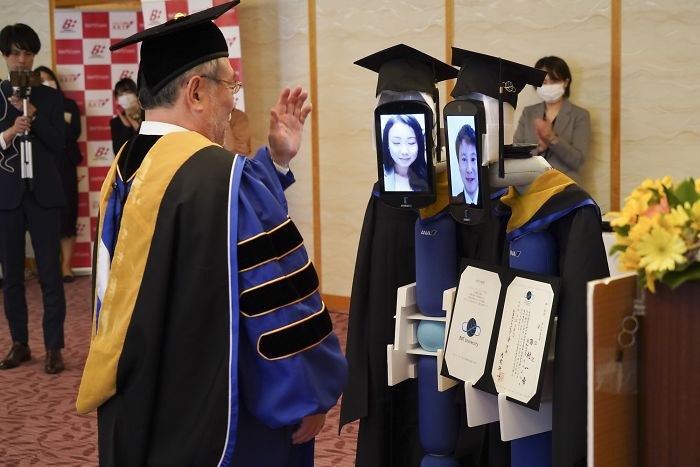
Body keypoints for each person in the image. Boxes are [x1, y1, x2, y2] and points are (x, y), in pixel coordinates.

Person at [75, 3, 347, 466]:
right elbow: (276, 298)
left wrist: (275, 162)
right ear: (197, 91)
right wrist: (307, 395)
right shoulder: (223, 177)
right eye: (230, 87)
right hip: (223, 410)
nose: (233, 102)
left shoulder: (124, 169)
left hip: (144, 400)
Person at [0, 23, 67, 374]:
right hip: (7, 197)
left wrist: (34, 116)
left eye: (27, 53)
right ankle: (20, 343)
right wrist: (10, 132)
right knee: (12, 276)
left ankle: (54, 347)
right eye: (14, 54)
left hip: (44, 196)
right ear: (5, 56)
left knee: (50, 274)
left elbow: (60, 145)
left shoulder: (50, 97)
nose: (21, 60)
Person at [35, 65, 82, 282]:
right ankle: (48, 268)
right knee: (44, 219)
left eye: (48, 78)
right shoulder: (30, 107)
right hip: (42, 167)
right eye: (41, 80)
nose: (46, 82)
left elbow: (73, 133)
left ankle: (66, 267)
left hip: (66, 166)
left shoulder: (69, 105)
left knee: (68, 214)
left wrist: (53, 120)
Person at [513, 55, 591, 183]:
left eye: (554, 81)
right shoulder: (528, 113)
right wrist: (539, 149)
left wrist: (552, 139)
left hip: (565, 186)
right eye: (543, 82)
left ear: (566, 82)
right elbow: (515, 153)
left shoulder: (580, 115)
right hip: (530, 185)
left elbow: (578, 161)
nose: (548, 86)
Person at [382, 114, 428, 192]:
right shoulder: (381, 178)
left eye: (411, 142)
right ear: (387, 144)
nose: (404, 151)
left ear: (419, 144)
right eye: (396, 142)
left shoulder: (428, 175)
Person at [109, 77, 141, 155]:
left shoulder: (149, 116)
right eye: (121, 95)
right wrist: (127, 128)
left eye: (128, 92)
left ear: (136, 94)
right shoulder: (116, 122)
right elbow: (117, 152)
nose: (125, 97)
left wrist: (138, 128)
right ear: (117, 100)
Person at [454, 123, 479, 204]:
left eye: (473, 159)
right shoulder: (455, 203)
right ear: (458, 163)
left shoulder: (492, 199)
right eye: (464, 159)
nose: (469, 169)